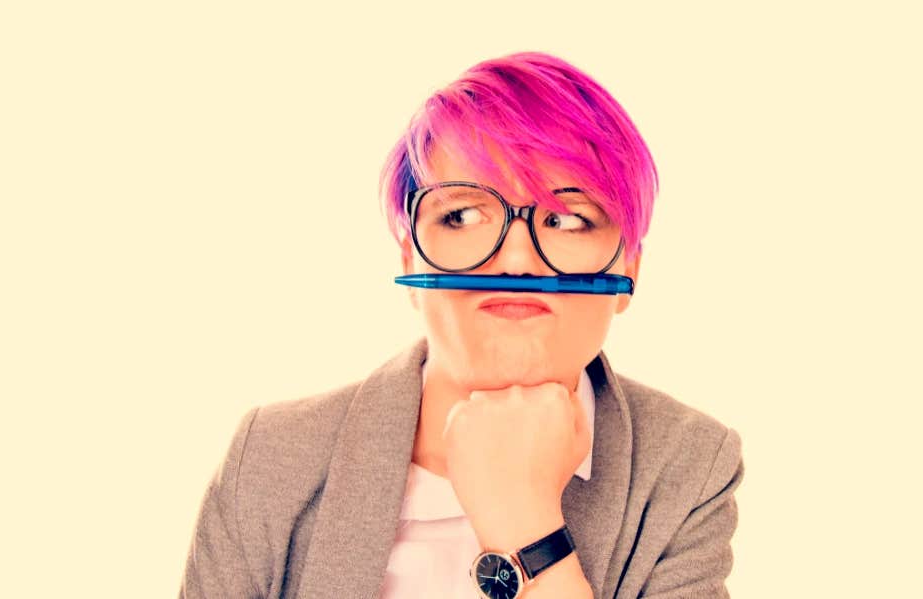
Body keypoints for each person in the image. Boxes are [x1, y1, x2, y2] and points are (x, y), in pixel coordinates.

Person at [179, 51, 742, 599]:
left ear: (629, 271)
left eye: (568, 219)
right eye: (463, 215)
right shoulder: (271, 460)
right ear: (410, 257)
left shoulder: (689, 469)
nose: (519, 261)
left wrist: (528, 526)